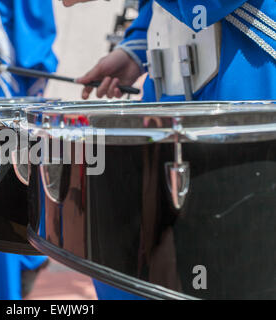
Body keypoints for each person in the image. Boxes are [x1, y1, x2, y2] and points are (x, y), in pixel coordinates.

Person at [61, 0, 275, 299]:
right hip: (165, 86)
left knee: (235, 268)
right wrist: (137, 49)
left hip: (246, 72)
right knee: (131, 268)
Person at [0, 0, 58, 300]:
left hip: (5, 88)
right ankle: (26, 261)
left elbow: (35, 39)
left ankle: (3, 290)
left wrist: (32, 89)